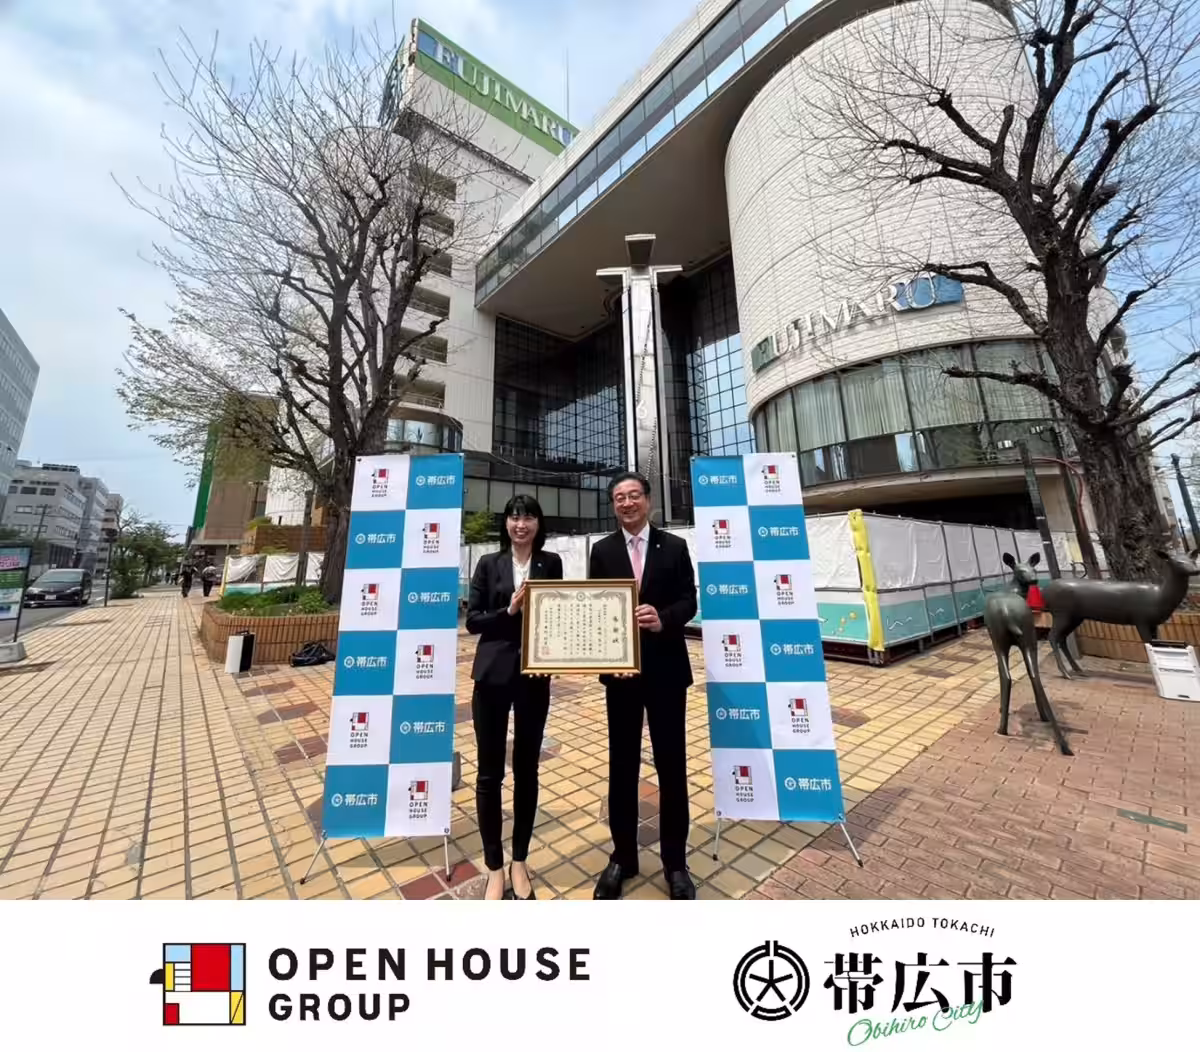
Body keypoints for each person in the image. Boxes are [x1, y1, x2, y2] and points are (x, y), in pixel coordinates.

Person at [588, 471, 698, 900]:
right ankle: (622, 857)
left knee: (672, 766)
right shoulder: (602, 551)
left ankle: (676, 863)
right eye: (619, 497)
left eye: (634, 495)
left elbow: (689, 600)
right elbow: (595, 609)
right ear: (613, 505)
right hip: (621, 676)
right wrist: (602, 656)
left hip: (667, 670)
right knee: (622, 767)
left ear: (647, 501)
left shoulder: (674, 546)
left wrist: (663, 618)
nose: (627, 503)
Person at [466, 494, 563, 900]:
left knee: (527, 770)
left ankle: (519, 860)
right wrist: (508, 610)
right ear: (505, 523)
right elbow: (473, 621)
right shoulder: (489, 564)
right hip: (491, 676)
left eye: (529, 517)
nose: (521, 524)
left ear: (539, 524)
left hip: (533, 677)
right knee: (489, 775)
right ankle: (494, 867)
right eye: (514, 517)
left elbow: (557, 615)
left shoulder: (551, 564)